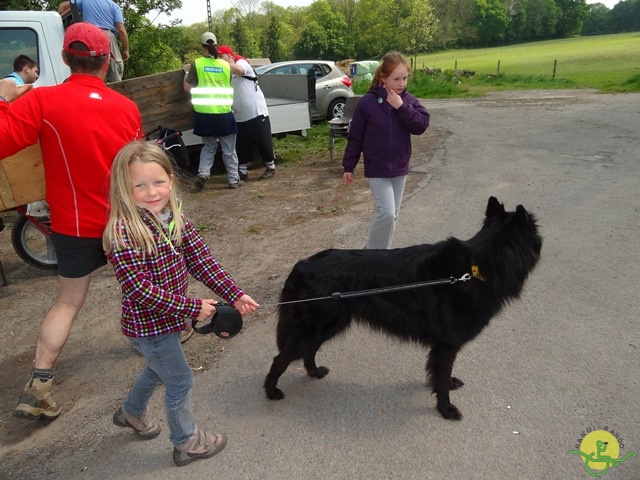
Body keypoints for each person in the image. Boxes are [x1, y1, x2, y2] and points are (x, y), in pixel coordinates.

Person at [0, 22, 142, 420]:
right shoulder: (126, 107)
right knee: (140, 283)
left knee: (68, 301)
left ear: (65, 59)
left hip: (74, 225)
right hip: (123, 221)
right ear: (106, 60)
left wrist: (2, 97)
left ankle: (39, 384)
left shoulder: (43, 101)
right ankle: (166, 334)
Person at [102, 140, 259, 466]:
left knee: (160, 370)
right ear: (123, 188)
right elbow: (139, 290)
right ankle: (187, 442)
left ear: (171, 180)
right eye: (140, 185)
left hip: (170, 321)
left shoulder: (174, 217)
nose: (151, 191)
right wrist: (192, 308)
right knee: (179, 379)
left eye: (158, 182)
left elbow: (202, 262)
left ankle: (131, 412)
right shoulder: (123, 232)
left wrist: (234, 293)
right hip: (147, 327)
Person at [342, 51, 430, 249]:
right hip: (377, 168)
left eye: (405, 78)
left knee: (393, 215)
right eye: (396, 79)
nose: (401, 83)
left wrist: (401, 107)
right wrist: (349, 165)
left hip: (399, 167)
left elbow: (421, 125)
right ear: (383, 78)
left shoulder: (407, 101)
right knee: (387, 212)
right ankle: (371, 258)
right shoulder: (367, 103)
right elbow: (355, 137)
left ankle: (381, 256)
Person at [183, 32, 243, 190]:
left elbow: (187, 88)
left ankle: (203, 174)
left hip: (205, 114)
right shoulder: (225, 65)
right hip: (224, 113)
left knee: (209, 147)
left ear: (202, 46)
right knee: (229, 150)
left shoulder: (197, 64)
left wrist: (187, 72)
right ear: (216, 45)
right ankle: (233, 180)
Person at [217, 45, 276, 181]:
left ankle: (271, 166)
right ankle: (242, 171)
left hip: (256, 112)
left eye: (222, 56)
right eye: (218, 57)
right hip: (239, 114)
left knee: (262, 141)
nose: (219, 59)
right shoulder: (227, 71)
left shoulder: (241, 63)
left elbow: (239, 70)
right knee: (242, 144)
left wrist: (221, 63)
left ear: (230, 56)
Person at [58, 0, 129, 83]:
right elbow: (121, 30)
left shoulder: (86, 1)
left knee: (92, 67)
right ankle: (117, 87)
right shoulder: (113, 6)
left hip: (89, 36)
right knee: (115, 68)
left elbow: (63, 6)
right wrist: (125, 49)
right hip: (107, 35)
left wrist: (56, 18)